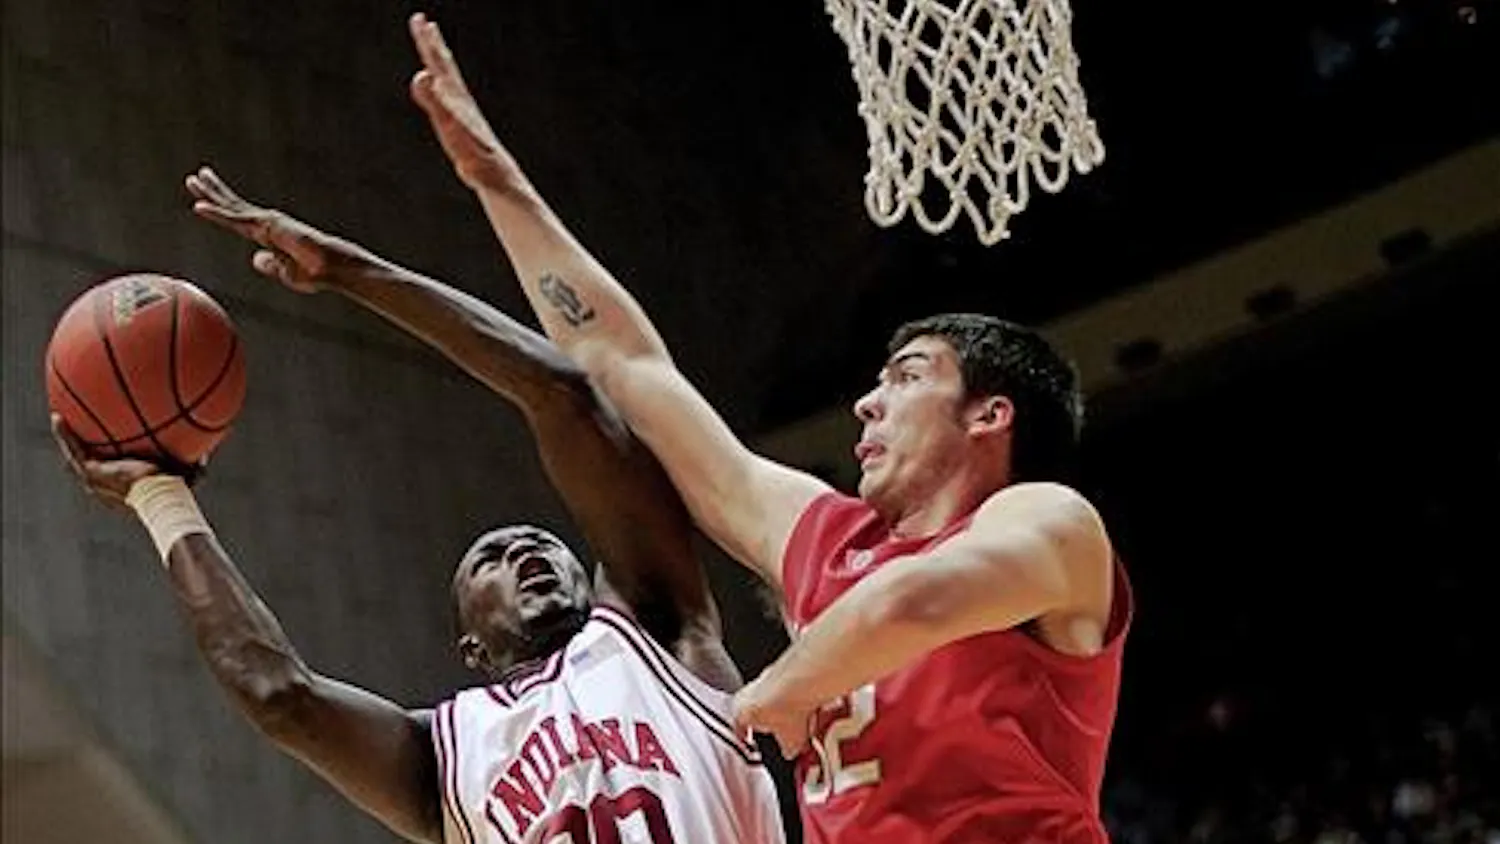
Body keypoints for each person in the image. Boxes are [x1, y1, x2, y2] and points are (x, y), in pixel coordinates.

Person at [403, 11, 1132, 843]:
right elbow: (628, 366)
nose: (869, 402)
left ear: (991, 415)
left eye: (906, 377)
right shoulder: (830, 540)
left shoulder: (1054, 526)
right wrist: (498, 184)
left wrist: (776, 690)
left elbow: (918, 601)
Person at [51, 168, 786, 844]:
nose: (526, 550)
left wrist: (347, 270)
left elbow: (563, 393)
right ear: (471, 648)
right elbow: (279, 694)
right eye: (490, 560)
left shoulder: (656, 631)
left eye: (541, 543)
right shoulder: (445, 757)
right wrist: (157, 495)